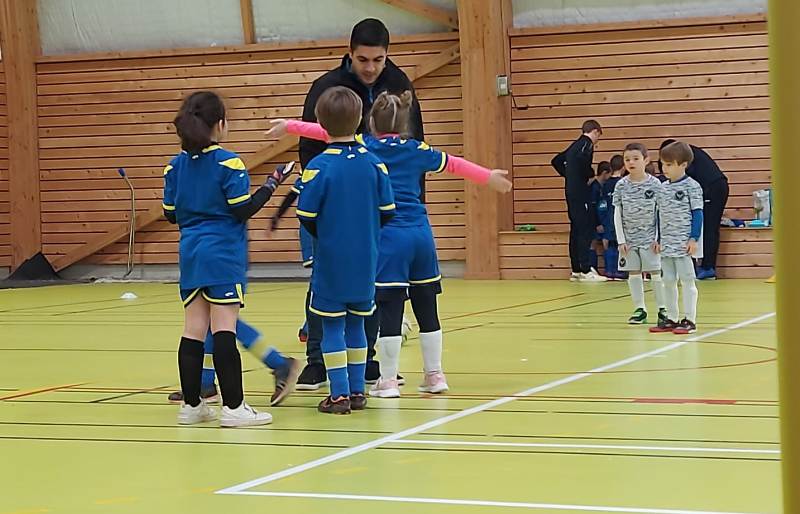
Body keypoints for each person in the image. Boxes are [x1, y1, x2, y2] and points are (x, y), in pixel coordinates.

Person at [269, 90, 512, 398]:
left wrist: (290, 126)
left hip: (389, 237)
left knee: (390, 309)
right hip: (421, 235)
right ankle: (435, 375)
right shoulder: (417, 149)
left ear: (370, 122)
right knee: (427, 307)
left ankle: (387, 380)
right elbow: (454, 164)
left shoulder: (366, 146)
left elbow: (330, 130)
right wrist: (488, 176)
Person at [273, 18, 423, 390]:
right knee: (322, 282)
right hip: (332, 209)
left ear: (387, 56)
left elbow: (413, 147)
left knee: (373, 283)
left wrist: (409, 203)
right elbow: (310, 146)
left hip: (378, 206)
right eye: (363, 60)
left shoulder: (399, 84)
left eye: (378, 60)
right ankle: (317, 361)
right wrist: (320, 201)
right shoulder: (326, 87)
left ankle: (366, 360)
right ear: (350, 53)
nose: (370, 68)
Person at [162, 91, 293, 427]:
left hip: (190, 254)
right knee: (224, 329)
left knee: (193, 330)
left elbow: (170, 214)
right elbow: (241, 210)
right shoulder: (229, 163)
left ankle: (192, 406)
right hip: (222, 254)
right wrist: (272, 183)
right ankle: (234, 408)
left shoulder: (174, 166)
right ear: (220, 125)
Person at [295, 86, 396, 414]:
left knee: (332, 327)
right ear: (361, 119)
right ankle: (357, 391)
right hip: (366, 259)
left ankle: (338, 394)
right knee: (357, 325)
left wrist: (329, 235)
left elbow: (306, 216)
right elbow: (388, 211)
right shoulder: (375, 164)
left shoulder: (318, 167)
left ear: (321, 123)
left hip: (331, 261)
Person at [650, 141, 703, 335]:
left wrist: (693, 238)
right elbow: (659, 215)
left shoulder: (692, 186)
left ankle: (690, 319)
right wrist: (658, 239)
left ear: (683, 165)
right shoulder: (662, 188)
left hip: (683, 244)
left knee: (687, 281)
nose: (664, 168)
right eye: (663, 164)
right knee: (668, 281)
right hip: (667, 244)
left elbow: (698, 214)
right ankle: (672, 317)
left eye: (669, 164)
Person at [612, 143, 668, 325]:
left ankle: (662, 309)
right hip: (629, 241)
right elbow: (617, 213)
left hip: (650, 239)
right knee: (634, 273)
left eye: (636, 159)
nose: (631, 162)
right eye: (627, 159)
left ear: (646, 160)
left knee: (655, 273)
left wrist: (659, 238)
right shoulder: (621, 185)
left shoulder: (655, 184)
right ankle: (640, 309)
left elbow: (661, 213)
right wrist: (621, 240)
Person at [659, 139, 729, 280]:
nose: (664, 168)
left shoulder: (684, 159)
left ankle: (708, 267)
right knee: (709, 226)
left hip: (713, 188)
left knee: (709, 227)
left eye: (668, 164)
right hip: (713, 186)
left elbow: (684, 180)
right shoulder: (684, 152)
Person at [552, 120, 607, 282]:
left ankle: (576, 269)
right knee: (584, 229)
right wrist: (588, 175)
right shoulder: (586, 144)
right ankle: (585, 269)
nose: (597, 141)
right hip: (580, 193)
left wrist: (569, 176)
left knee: (575, 229)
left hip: (571, 192)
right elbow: (583, 159)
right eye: (598, 136)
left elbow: (556, 161)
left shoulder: (574, 145)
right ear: (595, 131)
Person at [599, 155, 625, 280]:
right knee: (620, 243)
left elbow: (602, 204)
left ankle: (609, 270)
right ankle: (619, 270)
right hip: (619, 217)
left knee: (610, 244)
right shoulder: (623, 183)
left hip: (608, 217)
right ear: (624, 167)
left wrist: (601, 220)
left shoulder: (606, 184)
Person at [591, 161, 611, 274]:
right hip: (594, 221)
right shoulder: (594, 187)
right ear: (604, 173)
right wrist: (597, 223)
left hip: (602, 219)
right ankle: (592, 269)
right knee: (592, 243)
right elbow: (592, 207)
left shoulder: (602, 187)